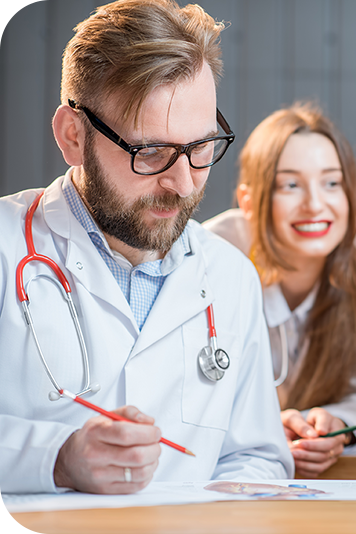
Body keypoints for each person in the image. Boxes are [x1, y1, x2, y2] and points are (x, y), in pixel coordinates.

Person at [0, 0, 293, 494]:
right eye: (150, 152)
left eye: (200, 148)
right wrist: (56, 459)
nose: (183, 183)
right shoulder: (7, 247)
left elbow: (256, 458)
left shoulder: (230, 276)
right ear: (73, 136)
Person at [203, 103, 356, 478]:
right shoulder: (211, 257)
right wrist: (261, 425)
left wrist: (338, 426)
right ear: (248, 202)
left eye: (332, 183)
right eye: (290, 185)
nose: (315, 204)